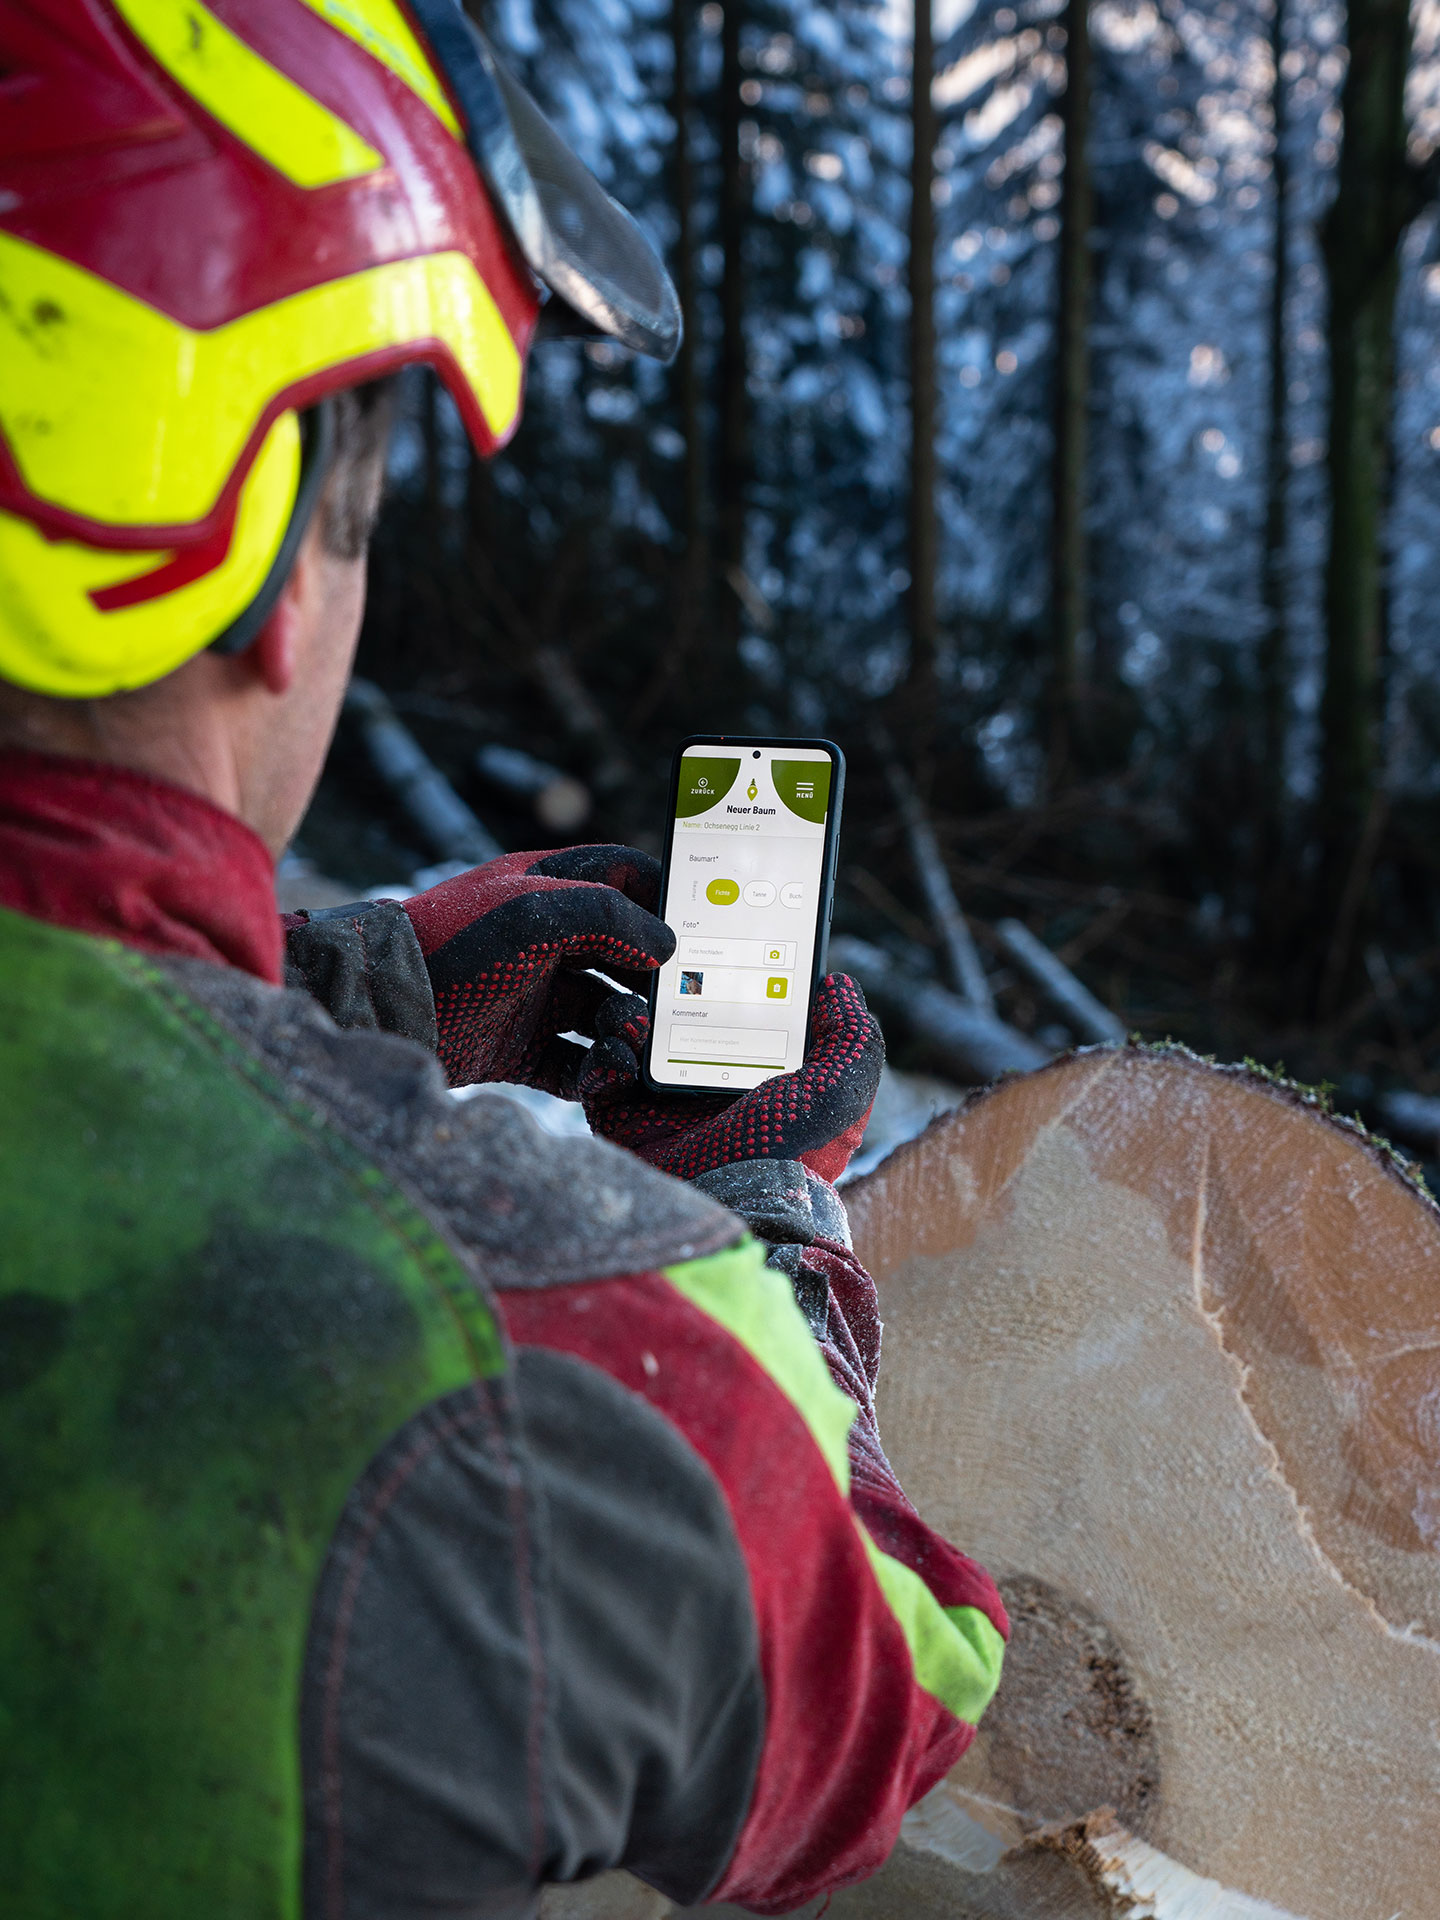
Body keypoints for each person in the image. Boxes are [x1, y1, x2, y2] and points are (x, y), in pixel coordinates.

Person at [0, 4, 1007, 1916]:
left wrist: (328, 995)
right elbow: (896, 1686)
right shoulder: (546, 1364)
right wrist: (764, 1236)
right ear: (270, 573)